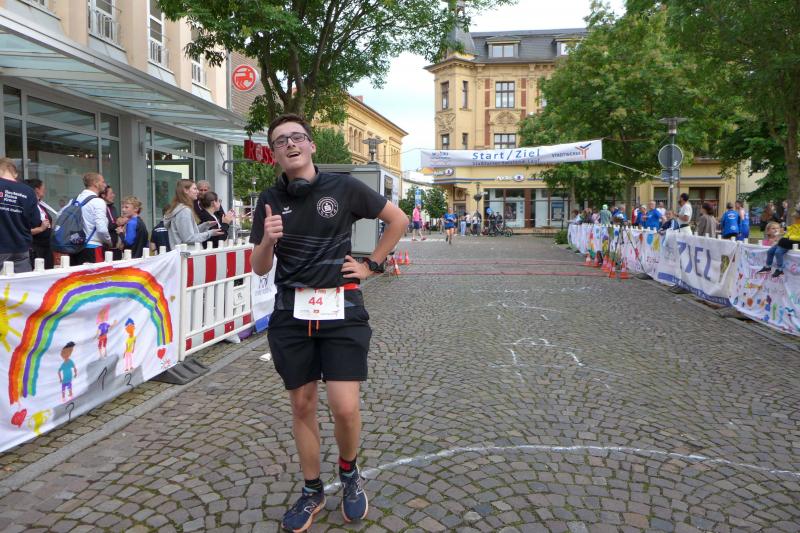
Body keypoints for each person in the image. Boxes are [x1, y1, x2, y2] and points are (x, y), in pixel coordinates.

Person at [248, 114, 407, 532]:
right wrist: (268, 240)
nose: (290, 144)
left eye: (297, 137)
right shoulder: (269, 199)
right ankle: (312, 489)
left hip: (341, 309)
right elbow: (259, 267)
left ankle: (349, 472)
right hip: (291, 313)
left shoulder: (343, 187)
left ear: (311, 144)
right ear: (274, 153)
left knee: (345, 406)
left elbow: (398, 220)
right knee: (302, 405)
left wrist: (372, 264)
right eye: (281, 141)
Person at [0, 159, 40, 273]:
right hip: (21, 249)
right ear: (15, 173)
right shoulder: (28, 191)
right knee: (21, 283)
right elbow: (35, 221)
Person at [64, 172, 113, 265]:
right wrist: (109, 241)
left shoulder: (74, 200)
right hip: (92, 247)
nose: (105, 185)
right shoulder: (98, 202)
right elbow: (102, 229)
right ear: (95, 183)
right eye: (103, 182)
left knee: (77, 274)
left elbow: (60, 215)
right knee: (95, 274)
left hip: (74, 246)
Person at [162, 179, 224, 249]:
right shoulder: (184, 211)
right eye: (195, 189)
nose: (198, 192)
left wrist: (205, 225)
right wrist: (210, 233)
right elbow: (189, 238)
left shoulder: (180, 208)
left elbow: (188, 232)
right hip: (187, 253)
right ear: (186, 190)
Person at [758, 208, 800, 279]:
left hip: (791, 243)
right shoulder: (795, 225)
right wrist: (784, 234)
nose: (795, 219)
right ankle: (768, 266)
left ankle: (780, 269)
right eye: (796, 218)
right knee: (770, 251)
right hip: (785, 242)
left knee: (778, 252)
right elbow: (788, 233)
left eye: (797, 218)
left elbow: (796, 237)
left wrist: (788, 238)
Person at [24, 178, 53, 269]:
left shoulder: (40, 205)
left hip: (46, 247)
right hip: (35, 248)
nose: (44, 190)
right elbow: (23, 230)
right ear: (37, 190)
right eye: (43, 188)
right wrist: (40, 229)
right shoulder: (28, 206)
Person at [100, 184, 125, 256]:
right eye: (111, 193)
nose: (114, 195)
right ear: (103, 195)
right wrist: (117, 223)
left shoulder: (113, 208)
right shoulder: (100, 208)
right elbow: (103, 226)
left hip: (116, 247)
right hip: (104, 248)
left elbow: (116, 224)